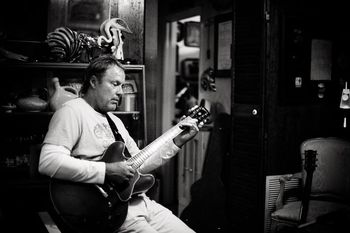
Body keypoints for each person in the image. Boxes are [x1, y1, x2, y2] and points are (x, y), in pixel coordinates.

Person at [38, 54, 200, 233]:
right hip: (111, 211)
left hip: (142, 204)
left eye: (122, 85)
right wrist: (107, 171)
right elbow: (48, 162)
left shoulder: (115, 121)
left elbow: (140, 165)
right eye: (115, 84)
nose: (121, 91)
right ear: (93, 81)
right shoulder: (72, 111)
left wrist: (176, 142)